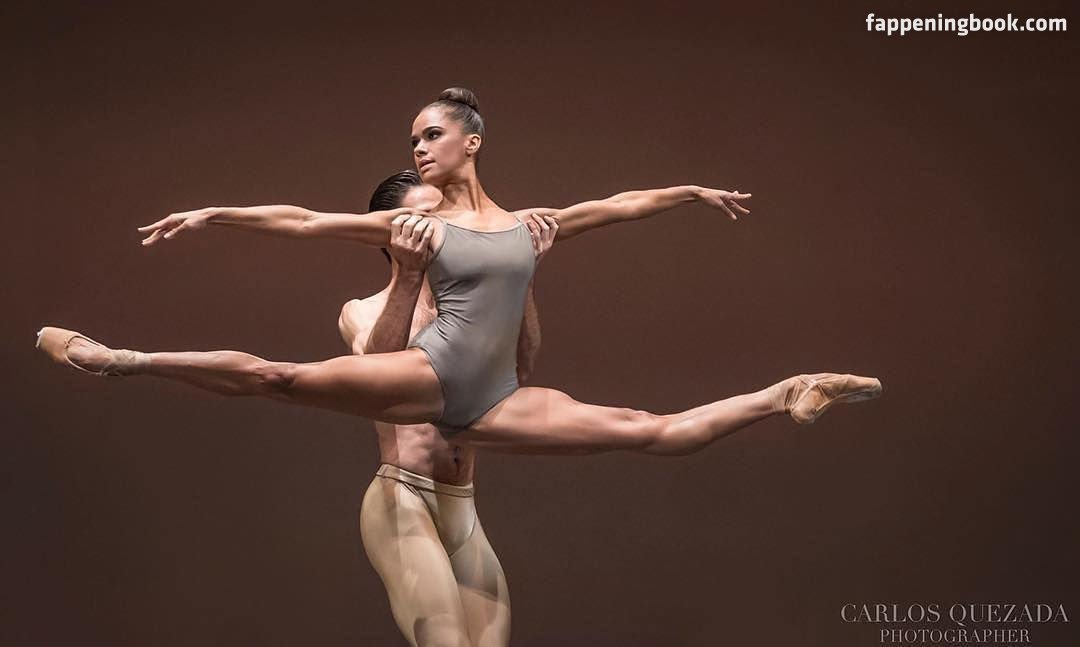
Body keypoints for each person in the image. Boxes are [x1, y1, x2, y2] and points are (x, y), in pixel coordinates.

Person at [36, 86, 882, 457]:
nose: (418, 147)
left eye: (431, 135)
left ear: (471, 142)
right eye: (413, 139)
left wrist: (688, 191)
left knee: (648, 430)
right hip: (433, 373)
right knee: (276, 376)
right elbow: (303, 219)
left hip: (496, 398)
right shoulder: (415, 223)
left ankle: (786, 391)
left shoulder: (525, 225)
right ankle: (119, 359)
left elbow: (618, 205)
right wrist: (214, 211)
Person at [347, 170, 554, 647]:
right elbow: (376, 374)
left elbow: (519, 369)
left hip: (462, 502)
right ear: (389, 232)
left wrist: (519, 277)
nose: (443, 227)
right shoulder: (364, 309)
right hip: (403, 498)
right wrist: (409, 274)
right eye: (427, 217)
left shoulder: (472, 309)